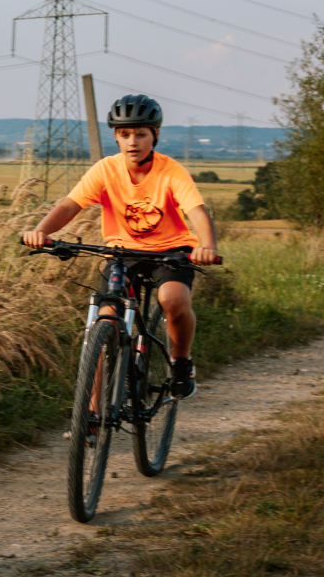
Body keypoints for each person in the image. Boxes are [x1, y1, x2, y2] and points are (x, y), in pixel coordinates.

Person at [20, 93, 222, 395]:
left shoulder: (170, 171)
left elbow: (196, 211)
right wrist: (40, 230)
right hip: (121, 252)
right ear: (116, 136)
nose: (132, 141)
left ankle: (181, 362)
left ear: (155, 135)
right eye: (125, 134)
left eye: (141, 134)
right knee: (106, 320)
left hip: (171, 251)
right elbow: (69, 206)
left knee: (173, 301)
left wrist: (207, 246)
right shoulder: (105, 170)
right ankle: (89, 417)